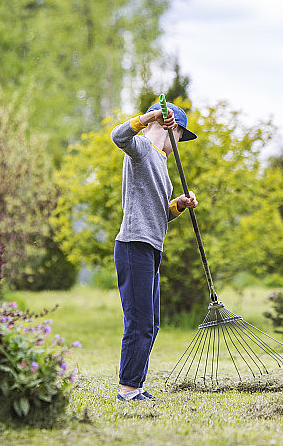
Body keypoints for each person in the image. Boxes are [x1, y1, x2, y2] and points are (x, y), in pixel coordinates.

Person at [110, 102, 198, 401]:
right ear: (172, 128)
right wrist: (149, 118)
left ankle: (135, 385)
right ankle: (128, 390)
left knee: (152, 323)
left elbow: (161, 213)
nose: (179, 147)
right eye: (181, 137)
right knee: (139, 322)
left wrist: (179, 206)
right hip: (134, 244)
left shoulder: (160, 163)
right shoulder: (142, 148)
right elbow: (118, 136)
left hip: (151, 247)